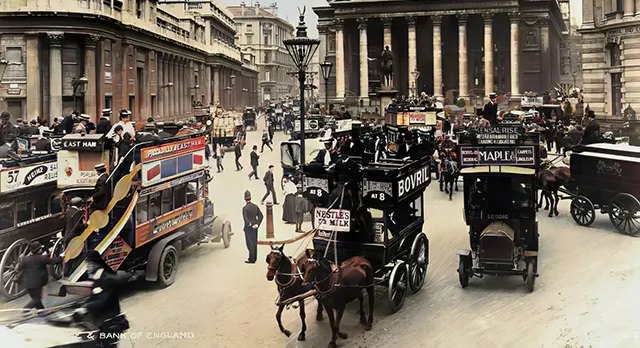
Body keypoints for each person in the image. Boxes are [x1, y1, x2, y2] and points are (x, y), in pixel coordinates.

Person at [74, 250, 130, 348]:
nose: (87, 267)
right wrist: (81, 305)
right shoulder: (97, 278)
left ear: (96, 264)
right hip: (102, 322)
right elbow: (94, 297)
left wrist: (86, 308)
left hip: (112, 322)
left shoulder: (108, 279)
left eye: (89, 264)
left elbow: (102, 299)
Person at [17, 241, 62, 311]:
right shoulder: (42, 258)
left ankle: (41, 312)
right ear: (39, 250)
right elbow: (53, 261)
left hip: (27, 283)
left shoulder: (25, 259)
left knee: (36, 299)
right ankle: (26, 309)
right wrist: (61, 257)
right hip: (36, 283)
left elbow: (19, 268)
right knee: (37, 299)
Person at [242, 190, 263, 264]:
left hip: (249, 228)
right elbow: (261, 215)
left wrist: (250, 224)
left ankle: (251, 259)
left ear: (245, 199)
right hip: (255, 227)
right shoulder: (255, 206)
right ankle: (254, 258)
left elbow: (245, 218)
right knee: (254, 242)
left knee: (249, 243)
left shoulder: (245, 208)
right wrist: (257, 224)